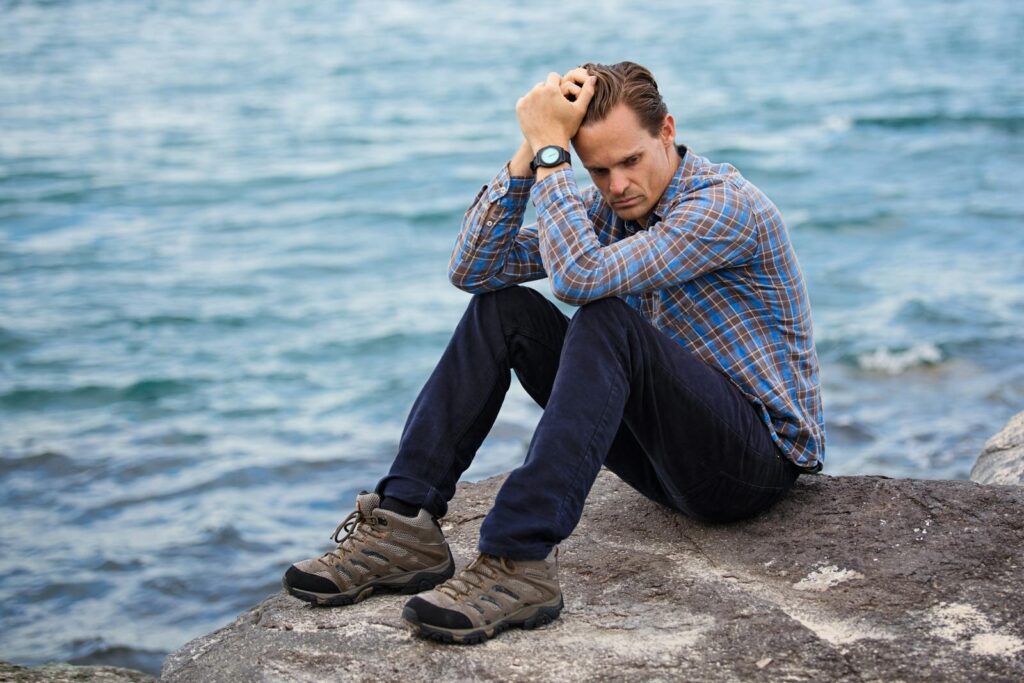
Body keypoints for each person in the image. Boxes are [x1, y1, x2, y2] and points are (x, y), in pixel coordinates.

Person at [282, 61, 826, 644]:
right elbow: (475, 269)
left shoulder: (723, 208)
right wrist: (532, 147)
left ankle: (518, 557)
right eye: (598, 169)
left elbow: (578, 278)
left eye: (631, 160)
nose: (617, 185)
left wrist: (552, 156)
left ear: (667, 131)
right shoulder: (610, 208)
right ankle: (404, 523)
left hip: (749, 469)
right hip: (662, 459)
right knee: (503, 309)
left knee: (606, 318)